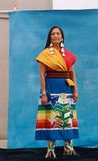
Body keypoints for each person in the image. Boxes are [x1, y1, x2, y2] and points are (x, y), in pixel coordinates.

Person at [35, 26, 79, 158]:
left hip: (66, 88)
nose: (55, 36)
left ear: (62, 36)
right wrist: (43, 93)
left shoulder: (68, 55)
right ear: (50, 37)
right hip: (51, 87)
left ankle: (68, 148)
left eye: (58, 33)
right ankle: (50, 149)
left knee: (67, 117)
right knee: (51, 117)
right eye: (53, 34)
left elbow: (72, 72)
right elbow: (42, 74)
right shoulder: (45, 54)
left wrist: (75, 89)